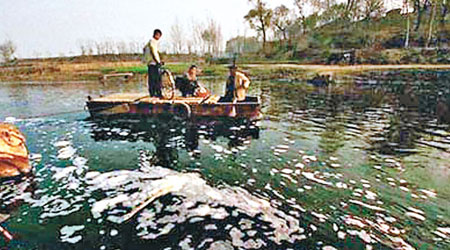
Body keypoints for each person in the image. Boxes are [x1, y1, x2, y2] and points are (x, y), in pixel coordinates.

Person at [143, 29, 163, 97]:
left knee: (152, 79)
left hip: (150, 63)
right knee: (157, 79)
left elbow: (145, 49)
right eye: (159, 36)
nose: (159, 38)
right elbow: (154, 52)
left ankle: (152, 93)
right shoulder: (153, 42)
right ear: (157, 35)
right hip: (153, 63)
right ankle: (158, 93)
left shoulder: (149, 42)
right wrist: (158, 61)